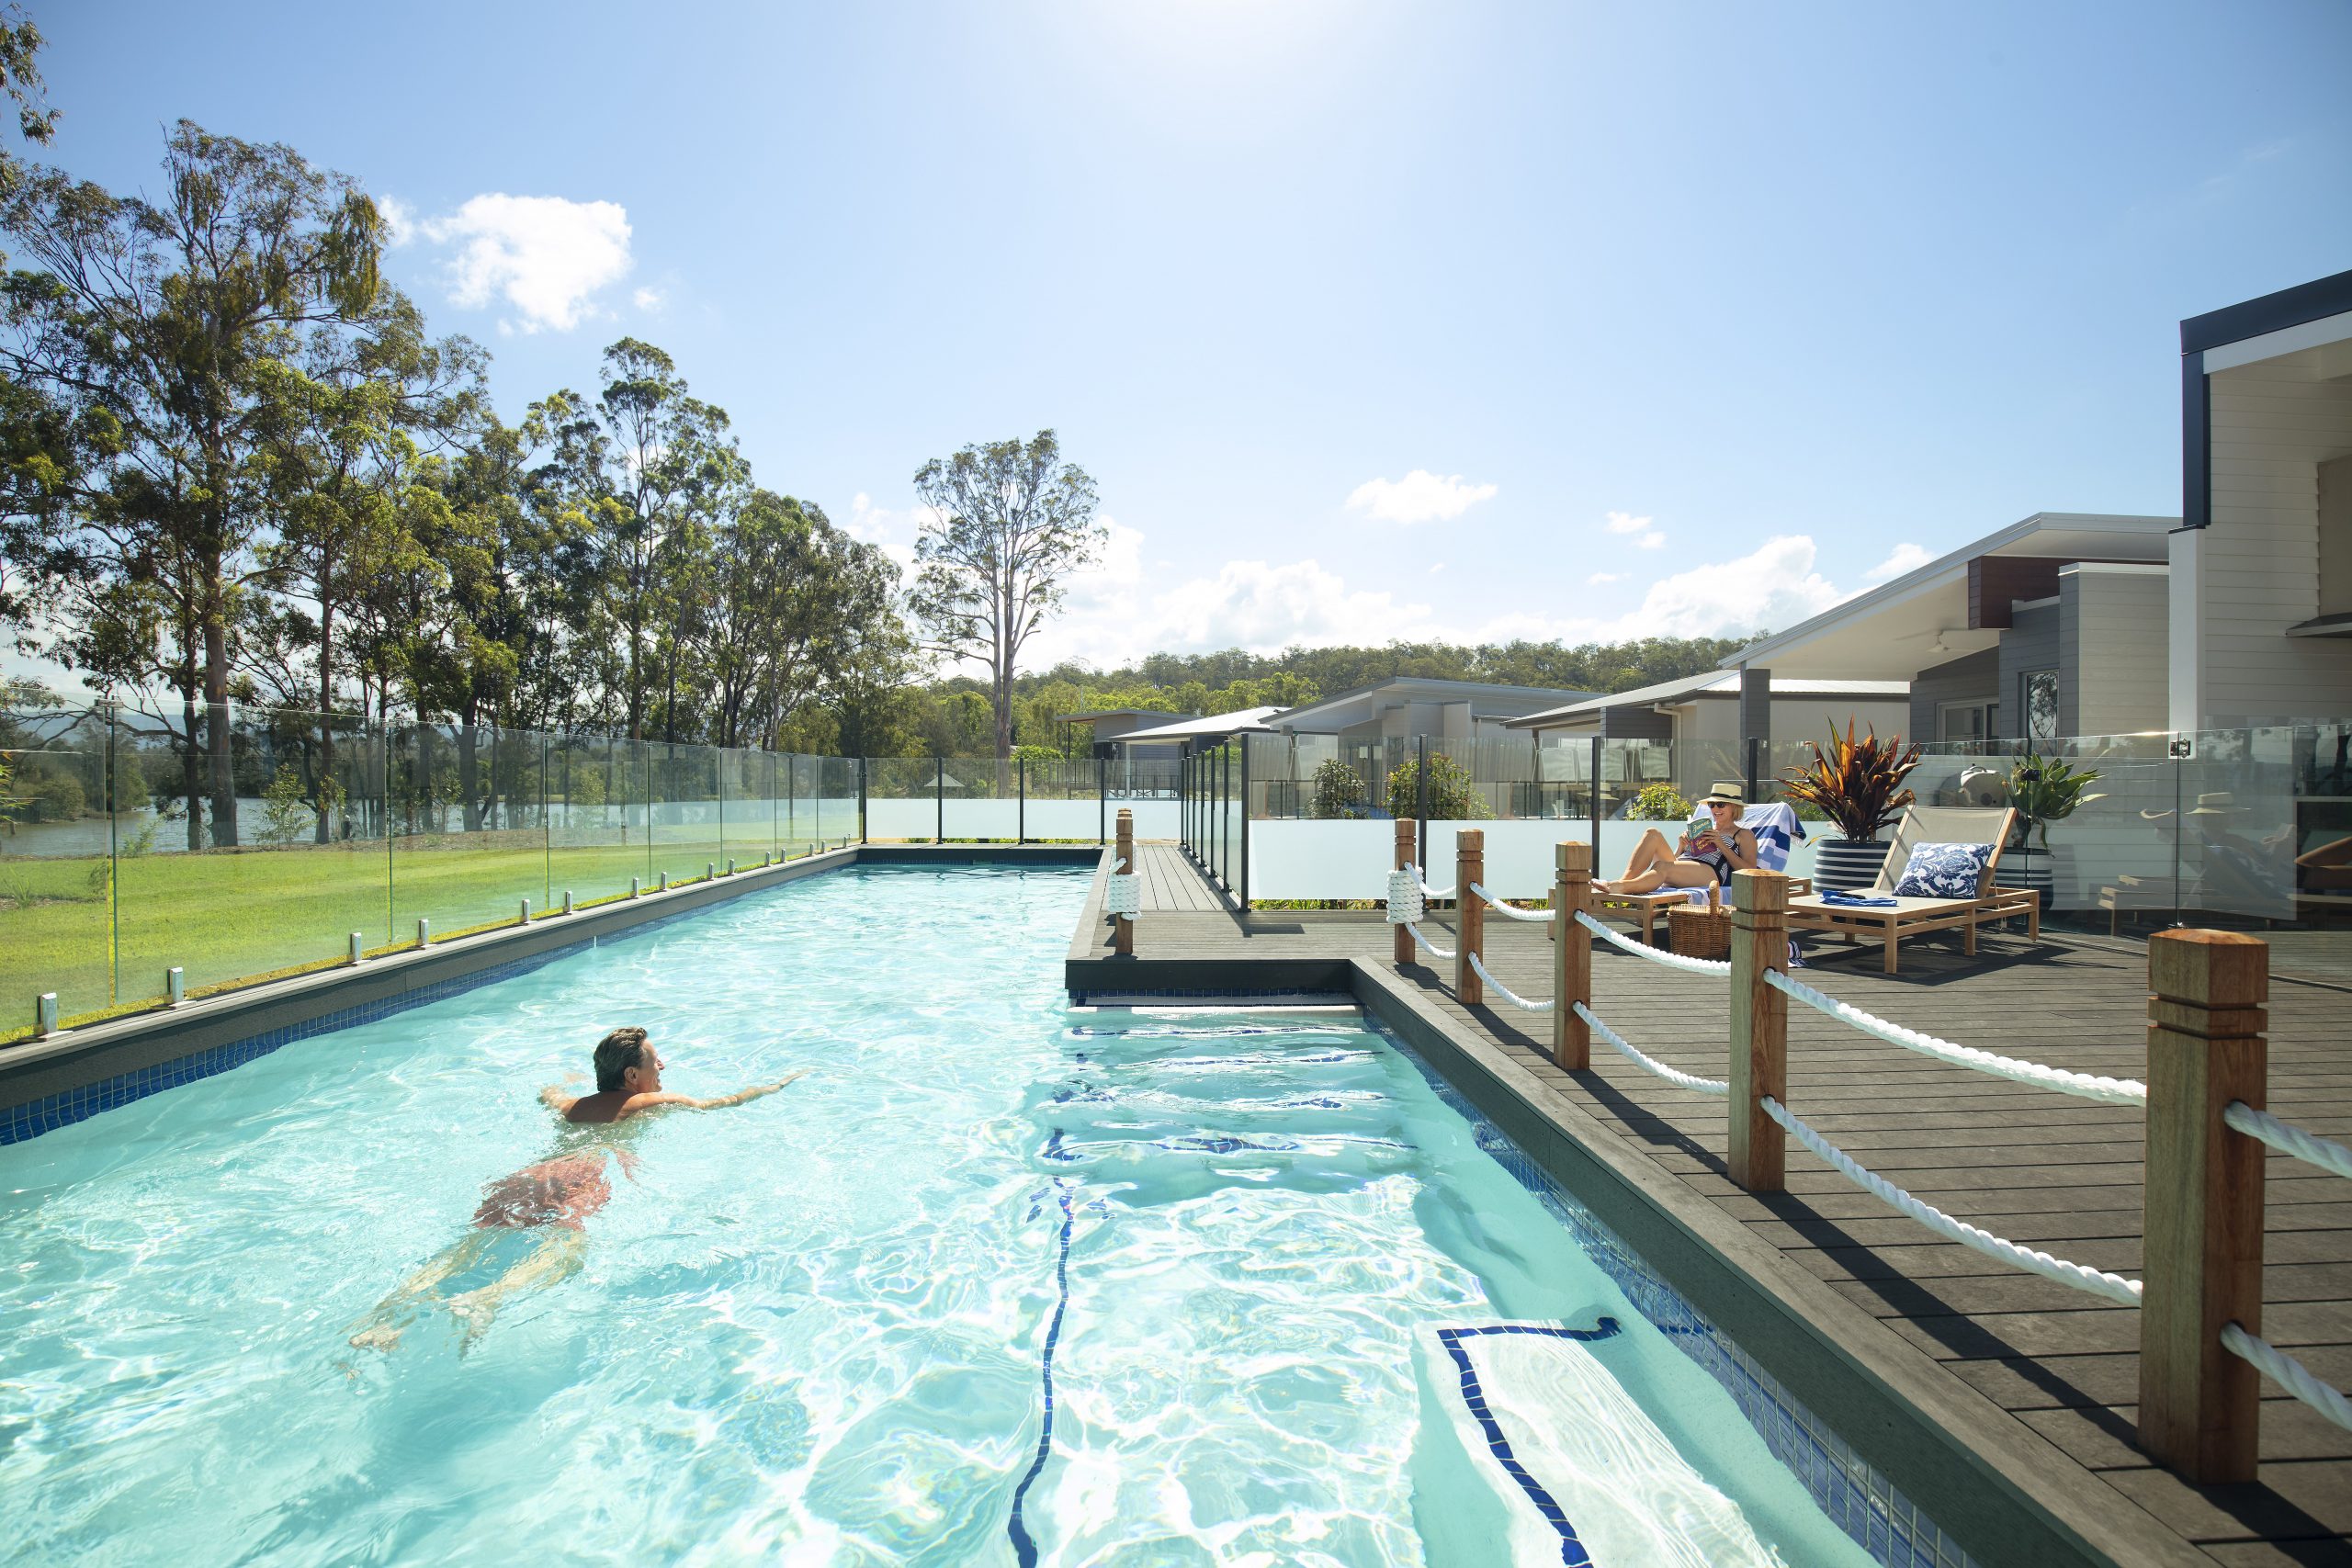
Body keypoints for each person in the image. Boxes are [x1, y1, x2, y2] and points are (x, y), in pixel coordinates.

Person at [347, 1027, 804, 1352]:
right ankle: (486, 1298)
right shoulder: (647, 1100)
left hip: (526, 1176)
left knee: (467, 1247)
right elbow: (721, 1103)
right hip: (580, 1175)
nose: (663, 1066)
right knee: (568, 1249)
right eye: (655, 1061)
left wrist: (566, 1082)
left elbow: (546, 1091)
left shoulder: (570, 1105)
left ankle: (384, 1318)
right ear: (632, 1076)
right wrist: (775, 1086)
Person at [1593, 785, 1759, 897]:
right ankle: (1621, 884)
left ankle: (1619, 887)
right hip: (1686, 866)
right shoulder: (1704, 827)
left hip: (1710, 872)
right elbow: (1678, 860)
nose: (1715, 809)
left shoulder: (1743, 834)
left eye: (1721, 805)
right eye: (1712, 805)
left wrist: (1721, 845)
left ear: (1734, 807)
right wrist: (1681, 846)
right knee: (1652, 834)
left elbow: (1750, 870)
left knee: (1662, 867)